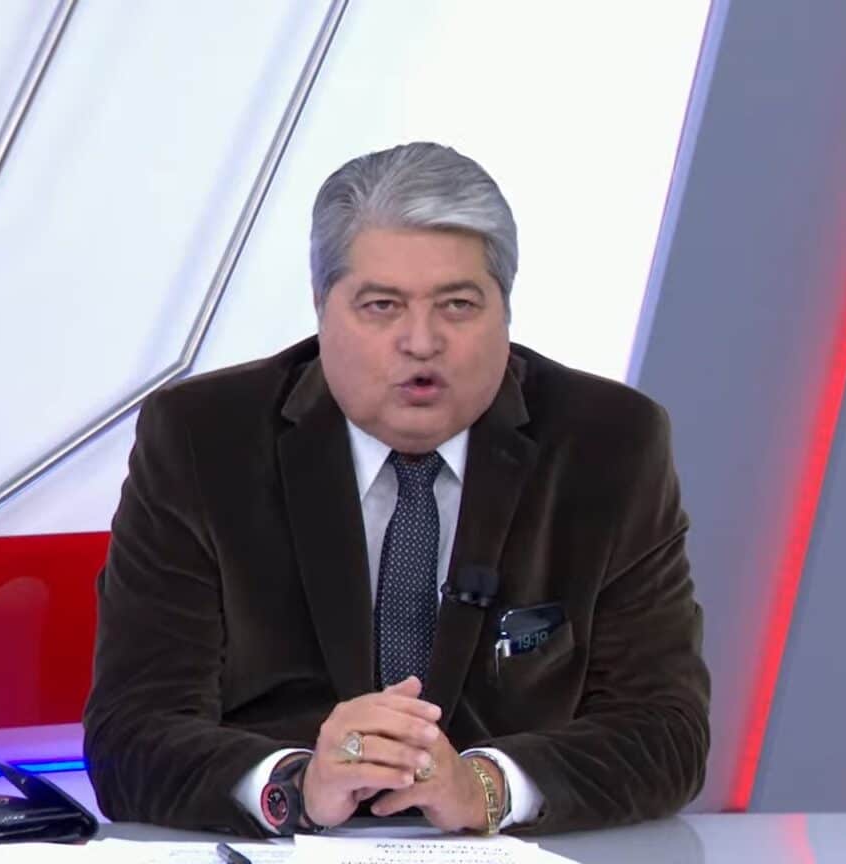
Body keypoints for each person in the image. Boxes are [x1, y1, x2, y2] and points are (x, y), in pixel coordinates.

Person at [83, 142, 709, 836]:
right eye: (381, 305)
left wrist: (487, 786)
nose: (420, 341)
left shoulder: (607, 444)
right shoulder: (202, 440)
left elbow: (666, 733)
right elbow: (132, 735)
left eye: (458, 305)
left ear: (505, 309)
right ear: (321, 307)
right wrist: (296, 785)